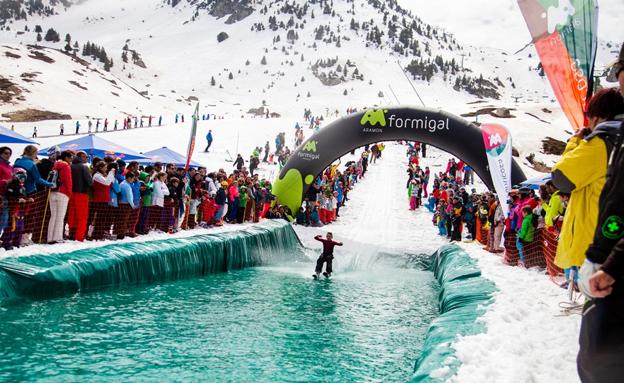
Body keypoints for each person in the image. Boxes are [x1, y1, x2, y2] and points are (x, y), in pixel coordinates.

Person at [577, 44, 624, 383]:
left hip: (608, 260)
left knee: (601, 358)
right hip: (603, 254)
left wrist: (609, 263)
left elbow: (564, 176)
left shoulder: (597, 142)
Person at [551, 87, 624, 288]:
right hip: (616, 242)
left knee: (599, 310)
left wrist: (575, 141)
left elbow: (561, 178)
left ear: (597, 117)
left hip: (596, 243)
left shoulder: (600, 143)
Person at [47, 151, 73, 244]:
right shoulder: (66, 166)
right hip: (63, 193)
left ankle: (50, 237)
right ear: (66, 157)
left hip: (53, 192)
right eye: (70, 158)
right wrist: (69, 194)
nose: (71, 160)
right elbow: (68, 181)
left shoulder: (55, 165)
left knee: (53, 216)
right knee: (60, 217)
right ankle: (57, 238)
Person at [68, 151, 92, 241]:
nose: (86, 158)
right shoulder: (84, 167)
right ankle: (79, 237)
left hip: (71, 193)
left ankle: (71, 235)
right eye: (84, 156)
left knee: (72, 215)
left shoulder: (70, 166)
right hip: (81, 193)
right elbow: (90, 182)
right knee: (82, 217)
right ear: (80, 157)